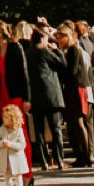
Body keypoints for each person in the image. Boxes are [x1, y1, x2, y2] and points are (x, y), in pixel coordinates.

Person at [0, 21, 33, 186]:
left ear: (0, 33)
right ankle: (14, 173)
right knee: (7, 135)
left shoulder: (15, 47)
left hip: (15, 96)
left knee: (20, 134)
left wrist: (27, 99)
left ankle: (27, 174)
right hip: (2, 95)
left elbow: (24, 73)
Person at [27, 27, 67, 171]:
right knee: (56, 129)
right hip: (51, 95)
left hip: (36, 96)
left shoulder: (29, 53)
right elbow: (62, 65)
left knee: (39, 131)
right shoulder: (44, 51)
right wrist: (56, 50)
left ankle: (44, 160)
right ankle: (60, 160)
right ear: (42, 39)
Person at [56, 24, 93, 168]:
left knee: (78, 122)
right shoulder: (73, 50)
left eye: (60, 38)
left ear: (67, 37)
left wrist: (59, 67)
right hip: (77, 88)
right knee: (76, 123)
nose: (59, 41)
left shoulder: (73, 50)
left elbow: (70, 72)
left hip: (76, 89)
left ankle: (84, 155)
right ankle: (83, 155)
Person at [0, 103, 29, 186]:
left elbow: (22, 144)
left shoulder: (19, 130)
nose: (4, 119)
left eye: (6, 117)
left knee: (18, 176)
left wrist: (11, 144)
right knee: (7, 176)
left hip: (16, 158)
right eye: (4, 117)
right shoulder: (2, 129)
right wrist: (1, 143)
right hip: (5, 159)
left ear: (13, 119)